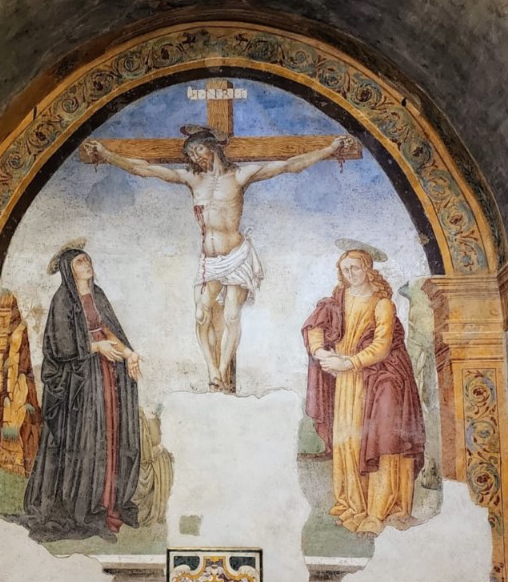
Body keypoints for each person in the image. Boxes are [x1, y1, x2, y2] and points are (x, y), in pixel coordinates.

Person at [90, 127, 346, 390]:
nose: (195, 157)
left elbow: (288, 165)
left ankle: (221, 373)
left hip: (236, 254)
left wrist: (328, 150)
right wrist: (108, 154)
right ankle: (211, 368)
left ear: (212, 147)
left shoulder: (238, 176)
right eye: (190, 153)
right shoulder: (193, 179)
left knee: (232, 315)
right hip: (209, 260)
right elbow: (144, 169)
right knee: (202, 314)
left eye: (198, 149)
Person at [18, 246, 142, 541]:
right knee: (89, 438)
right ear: (69, 269)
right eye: (79, 261)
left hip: (106, 376)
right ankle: (85, 507)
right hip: (80, 385)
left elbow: (109, 330)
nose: (87, 264)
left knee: (110, 435)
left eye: (87, 259)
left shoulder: (97, 295)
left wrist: (129, 353)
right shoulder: (62, 300)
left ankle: (109, 504)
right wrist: (95, 347)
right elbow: (59, 347)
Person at [303, 247, 425, 536]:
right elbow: (314, 328)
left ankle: (377, 511)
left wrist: (348, 362)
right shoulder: (338, 300)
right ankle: (352, 504)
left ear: (368, 269)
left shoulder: (382, 304)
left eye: (355, 268)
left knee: (378, 441)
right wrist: (322, 355)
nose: (350, 274)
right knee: (347, 440)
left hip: (379, 378)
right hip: (346, 380)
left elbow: (382, 347)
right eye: (345, 269)